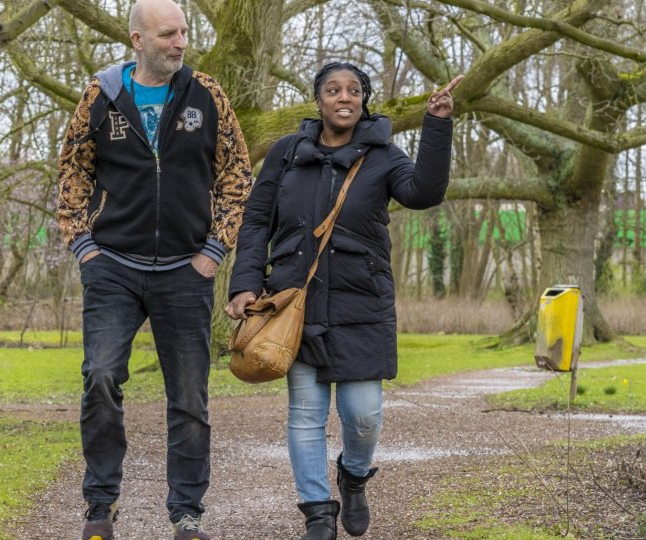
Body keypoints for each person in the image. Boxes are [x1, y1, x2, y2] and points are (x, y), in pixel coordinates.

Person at [226, 63, 460, 539]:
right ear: (319, 100)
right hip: (295, 304)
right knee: (306, 413)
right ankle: (316, 510)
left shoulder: (383, 155)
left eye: (353, 90)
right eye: (333, 90)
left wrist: (437, 125)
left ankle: (353, 477)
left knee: (364, 415)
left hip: (361, 303)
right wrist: (244, 283)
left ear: (363, 101)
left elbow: (424, 192)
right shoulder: (286, 154)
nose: (343, 97)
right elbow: (255, 221)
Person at [55, 0, 252, 537]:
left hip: (185, 271)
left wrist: (215, 251)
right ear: (137, 40)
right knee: (99, 378)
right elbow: (72, 169)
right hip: (113, 266)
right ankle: (100, 504)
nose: (180, 42)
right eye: (168, 34)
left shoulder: (207, 95)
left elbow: (237, 174)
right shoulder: (101, 95)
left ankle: (186, 511)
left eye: (184, 32)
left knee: (189, 397)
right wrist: (83, 246)